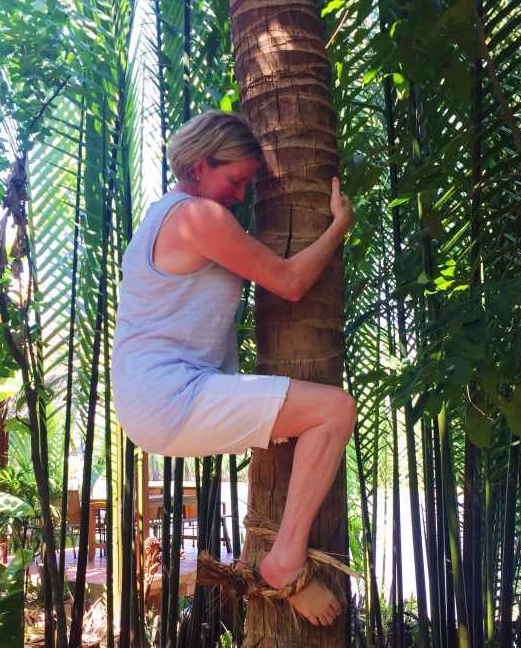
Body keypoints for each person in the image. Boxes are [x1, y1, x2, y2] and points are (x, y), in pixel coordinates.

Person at [111, 110, 356, 627]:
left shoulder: (162, 214)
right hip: (169, 396)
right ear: (200, 166)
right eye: (236, 180)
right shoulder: (199, 218)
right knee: (333, 411)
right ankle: (283, 561)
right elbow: (288, 282)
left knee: (294, 427)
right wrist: (339, 227)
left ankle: (256, 550)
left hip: (157, 398)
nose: (241, 196)